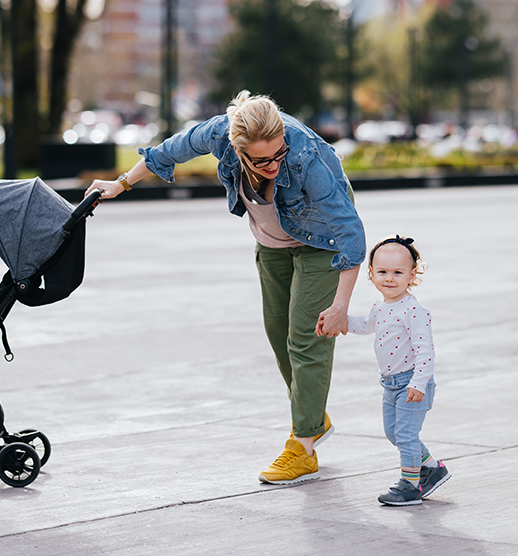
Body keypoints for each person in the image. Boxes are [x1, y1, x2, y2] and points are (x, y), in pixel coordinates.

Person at [86, 91, 366, 485]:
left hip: (322, 244)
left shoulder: (306, 157)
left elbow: (351, 233)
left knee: (307, 338)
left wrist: (340, 305)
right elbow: (166, 152)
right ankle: (313, 418)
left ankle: (301, 448)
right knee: (278, 333)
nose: (272, 165)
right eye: (260, 159)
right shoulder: (219, 134)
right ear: (237, 150)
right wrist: (121, 184)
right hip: (273, 243)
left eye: (277, 154)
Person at [345, 235, 451, 505]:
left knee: (405, 436)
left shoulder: (414, 310)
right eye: (382, 272)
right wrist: (340, 322)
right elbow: (365, 325)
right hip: (390, 384)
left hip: (411, 384)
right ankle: (433, 468)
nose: (389, 278)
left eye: (397, 272)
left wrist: (418, 382)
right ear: (371, 274)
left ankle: (411, 485)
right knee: (394, 433)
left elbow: (425, 351)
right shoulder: (380, 307)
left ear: (412, 275)